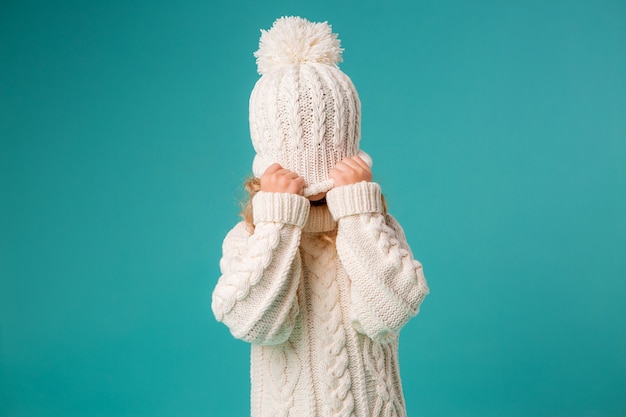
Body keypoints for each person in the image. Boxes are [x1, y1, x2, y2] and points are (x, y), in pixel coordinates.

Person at [211, 16, 429, 417]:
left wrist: (360, 211)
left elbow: (389, 313)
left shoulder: (372, 227)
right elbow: (255, 323)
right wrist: (278, 222)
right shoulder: (251, 236)